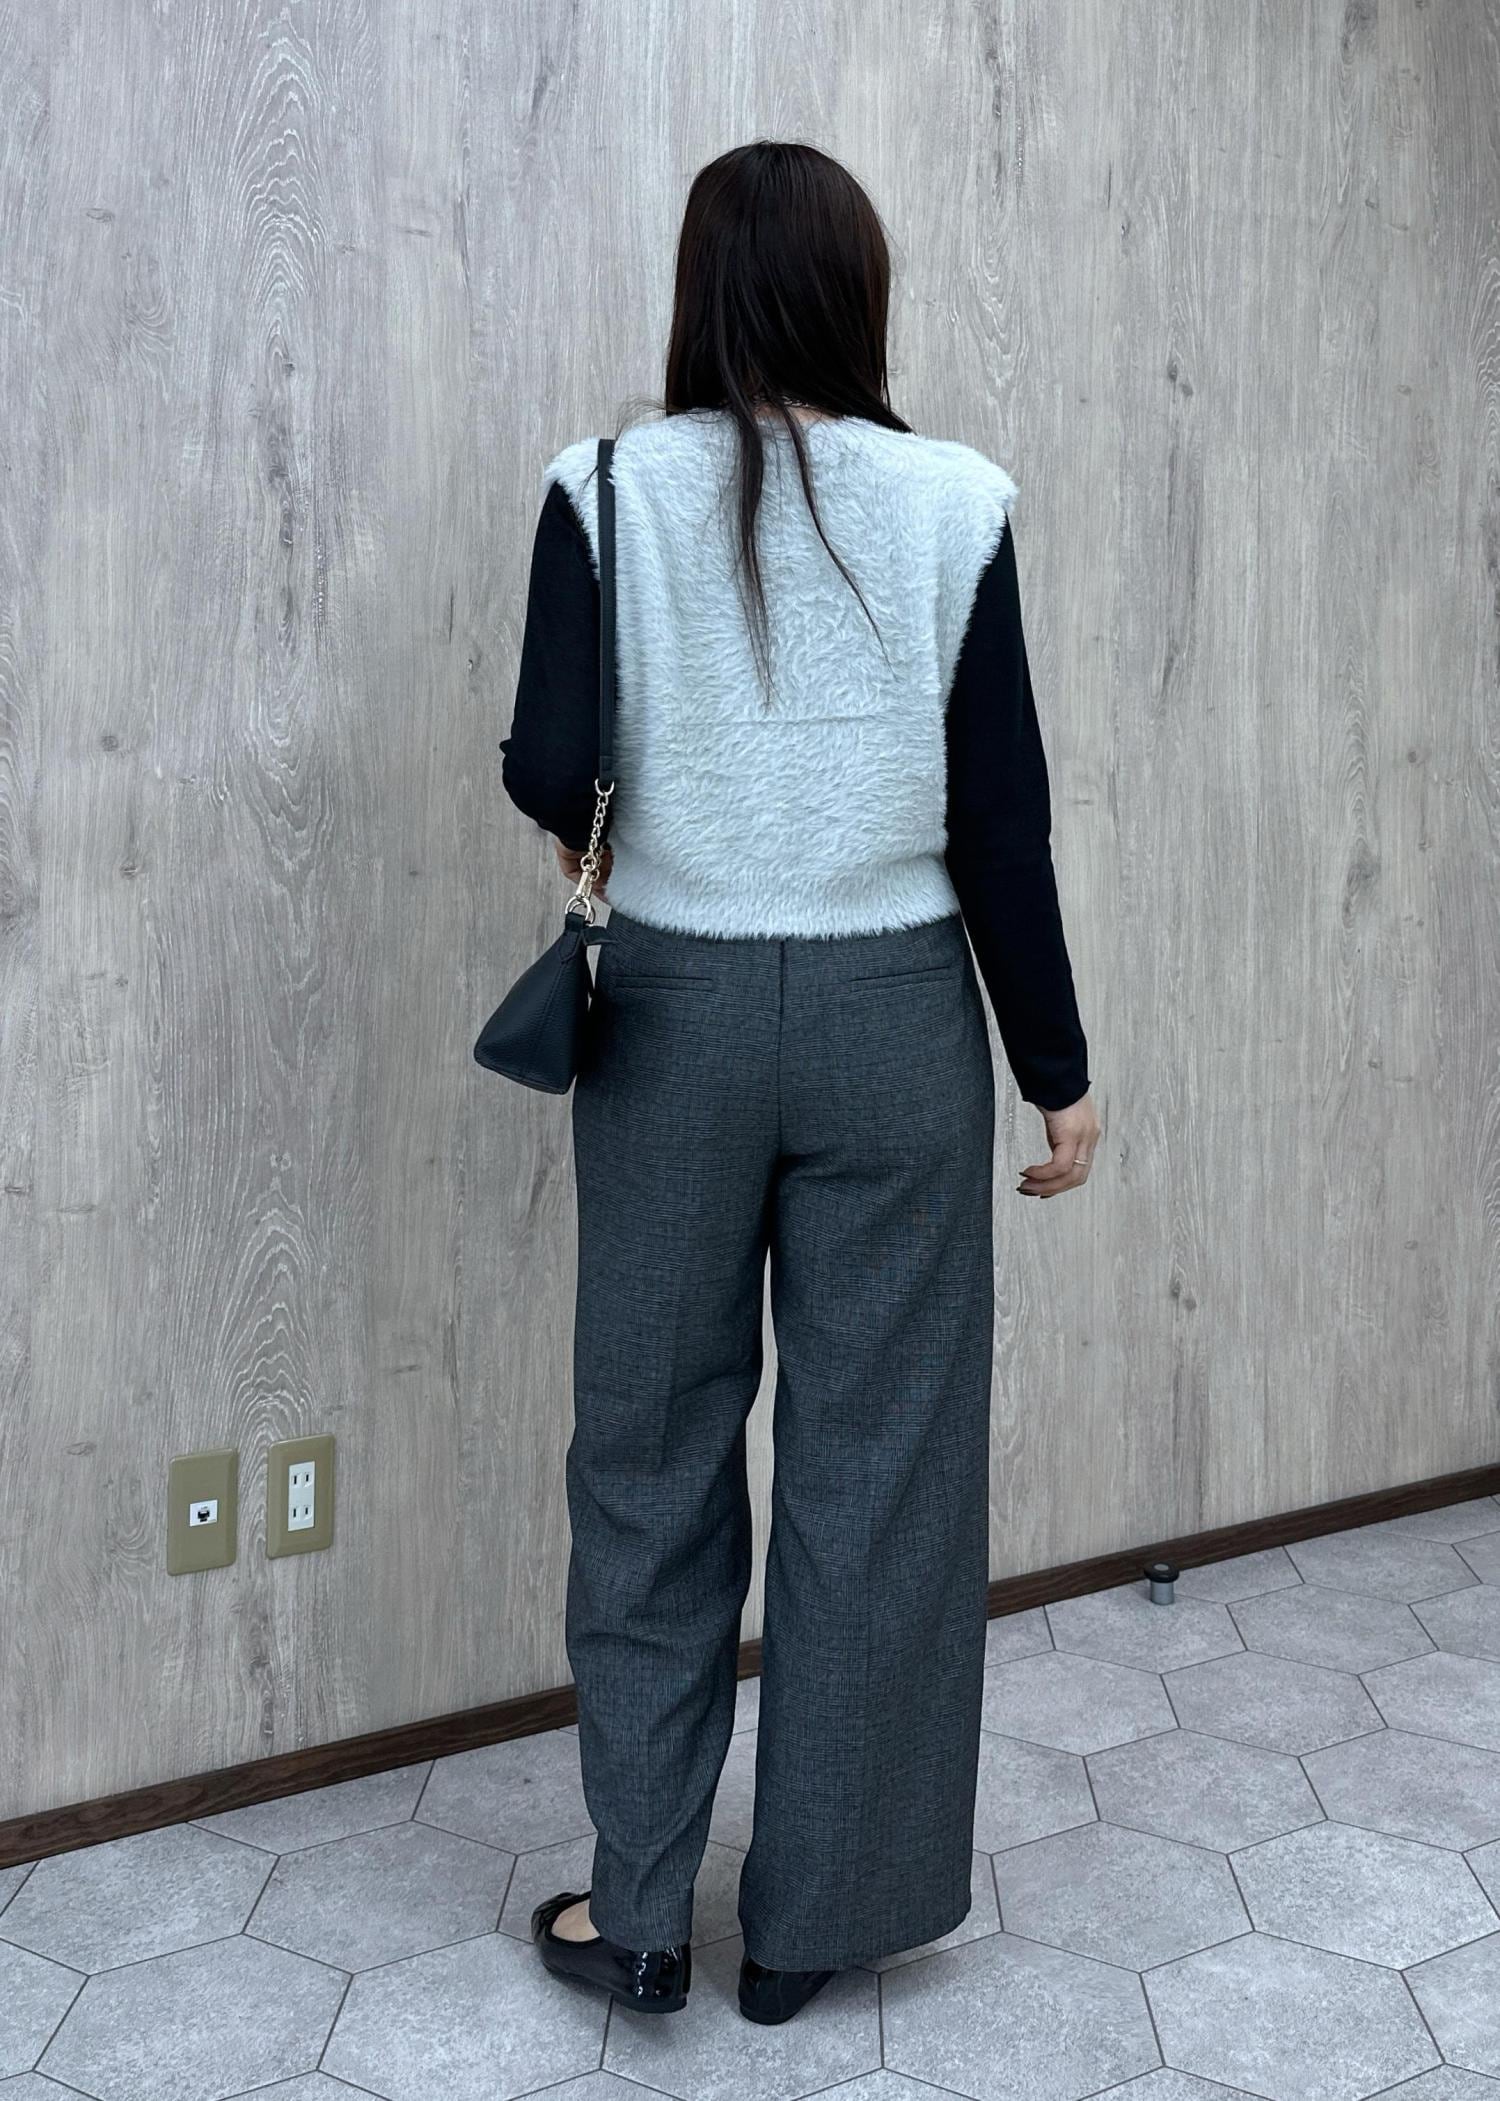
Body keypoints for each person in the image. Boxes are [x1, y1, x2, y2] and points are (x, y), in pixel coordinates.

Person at [499, 138, 1099, 2026]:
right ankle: (815, 1924)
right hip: (896, 1022)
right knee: (881, 1466)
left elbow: (548, 764)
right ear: (858, 292)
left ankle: (641, 1915)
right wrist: (1058, 1067)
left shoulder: (604, 487)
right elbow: (1003, 823)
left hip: (669, 1019)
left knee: (649, 1456)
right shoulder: (956, 500)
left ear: (704, 292)